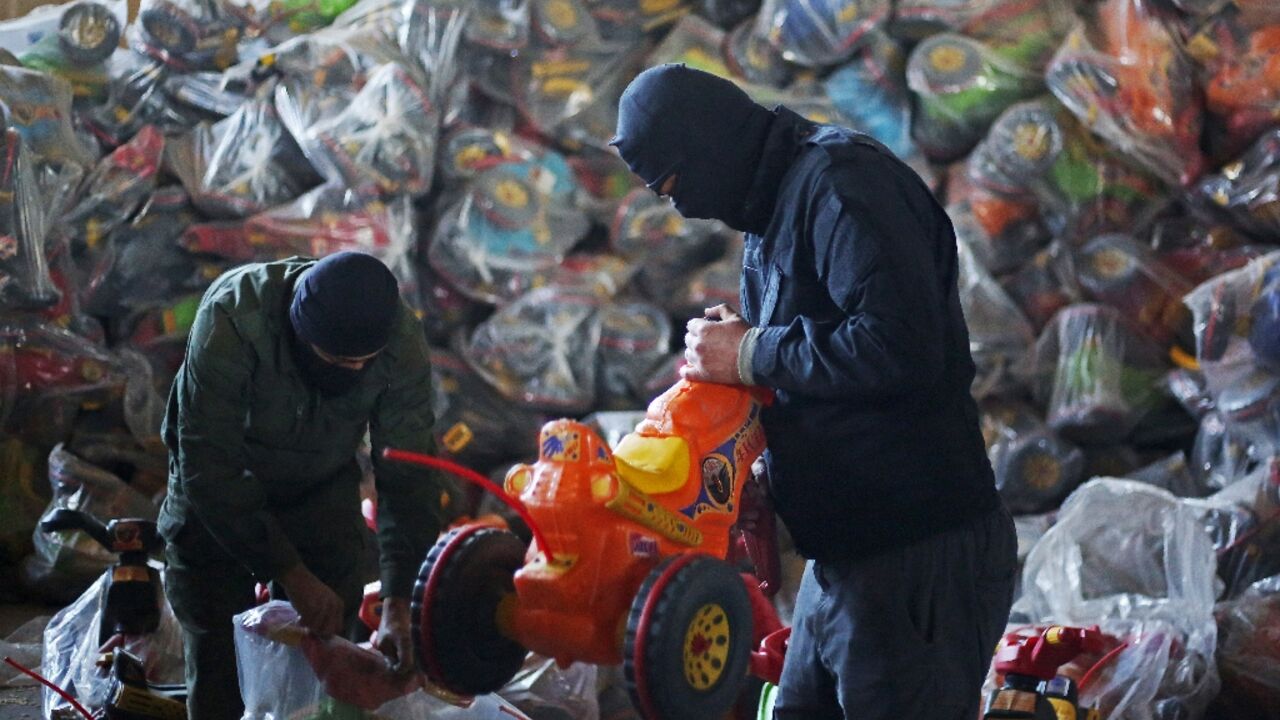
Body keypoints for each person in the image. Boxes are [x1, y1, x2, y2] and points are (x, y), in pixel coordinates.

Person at [611, 64, 1017, 719]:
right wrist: (769, 473)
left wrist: (747, 351)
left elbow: (900, 347)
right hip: (844, 564)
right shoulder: (772, 208)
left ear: (710, 146)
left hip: (915, 554)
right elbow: (812, 375)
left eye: (676, 185)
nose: (680, 208)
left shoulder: (842, 188)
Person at [159, 252, 447, 720]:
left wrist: (398, 599)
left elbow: (407, 473)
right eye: (336, 359)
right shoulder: (233, 319)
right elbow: (208, 467)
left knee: (327, 654)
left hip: (320, 483)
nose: (351, 372)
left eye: (362, 362)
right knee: (219, 648)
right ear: (299, 332)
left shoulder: (399, 338)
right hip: (221, 486)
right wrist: (291, 574)